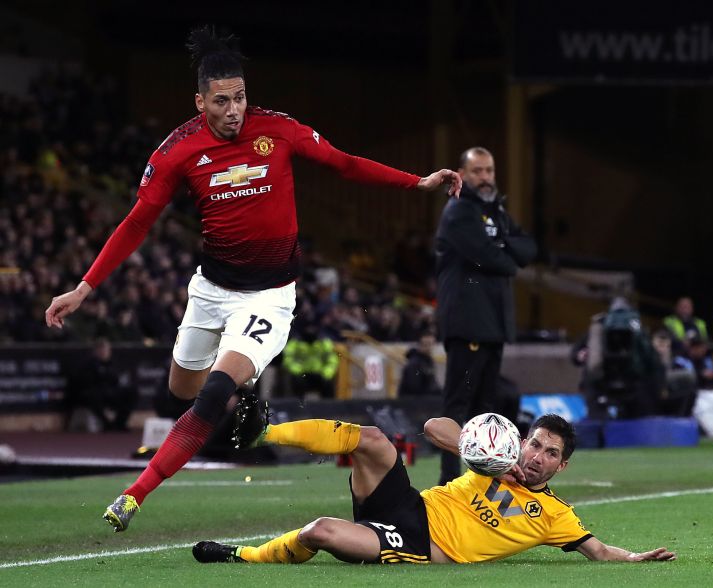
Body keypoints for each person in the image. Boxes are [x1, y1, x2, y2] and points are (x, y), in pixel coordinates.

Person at [43, 27, 462, 533]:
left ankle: (134, 494)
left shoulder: (278, 131)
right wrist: (84, 288)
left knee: (210, 393)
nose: (234, 109)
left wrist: (416, 181)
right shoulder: (177, 151)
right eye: (221, 101)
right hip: (210, 291)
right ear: (200, 102)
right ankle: (244, 398)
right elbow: (136, 223)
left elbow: (344, 163)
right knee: (180, 389)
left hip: (268, 296)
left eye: (240, 97)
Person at [192, 411, 677, 565]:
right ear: (523, 442)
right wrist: (487, 455)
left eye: (550, 454)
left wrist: (633, 558)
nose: (536, 457)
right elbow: (432, 426)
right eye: (535, 445)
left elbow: (597, 550)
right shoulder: (493, 457)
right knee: (376, 440)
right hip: (409, 506)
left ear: (562, 466)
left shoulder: (555, 516)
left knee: (321, 531)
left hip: (422, 544)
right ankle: (262, 431)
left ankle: (243, 556)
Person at [434, 147, 536, 484]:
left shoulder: (497, 212)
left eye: (489, 170)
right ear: (462, 174)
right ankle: (448, 481)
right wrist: (506, 254)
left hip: (492, 324)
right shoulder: (458, 211)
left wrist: (502, 247)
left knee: (484, 408)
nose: (485, 177)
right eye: (477, 171)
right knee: (458, 405)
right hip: (468, 322)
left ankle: (478, 479)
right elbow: (491, 258)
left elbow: (529, 249)